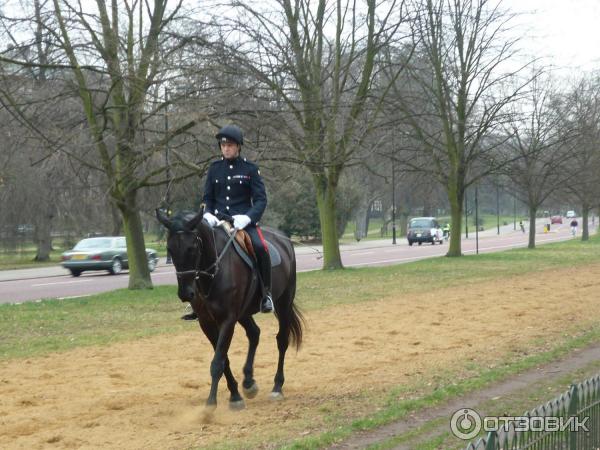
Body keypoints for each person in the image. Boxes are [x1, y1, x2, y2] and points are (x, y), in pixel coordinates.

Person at [202, 124, 274, 313]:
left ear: (239, 146)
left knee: (260, 247)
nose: (226, 148)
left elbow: (260, 200)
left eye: (230, 145)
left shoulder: (250, 169)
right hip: (217, 222)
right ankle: (198, 298)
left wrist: (248, 218)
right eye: (223, 145)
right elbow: (207, 198)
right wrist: (207, 213)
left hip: (242, 223)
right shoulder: (214, 168)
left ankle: (266, 294)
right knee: (197, 248)